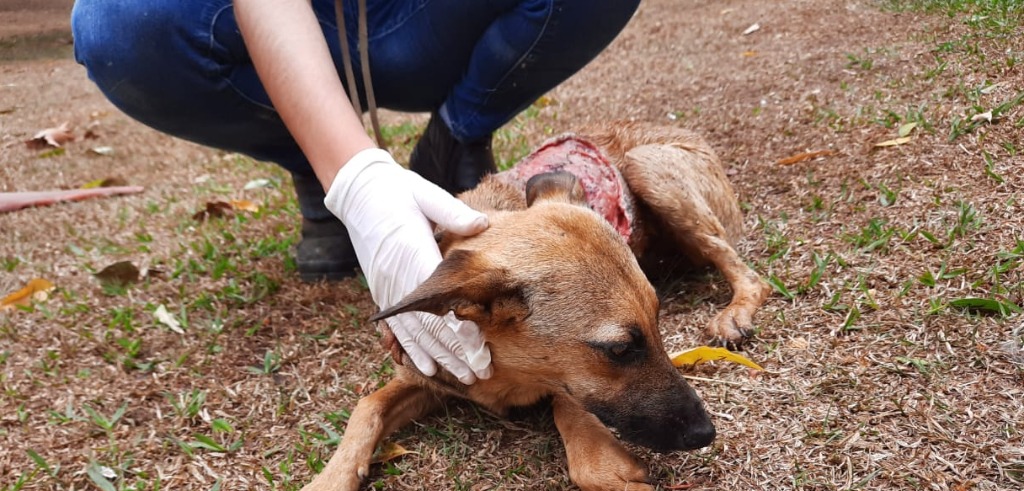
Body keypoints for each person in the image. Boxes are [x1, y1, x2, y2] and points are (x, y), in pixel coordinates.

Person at [70, 0, 641, 386]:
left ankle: (456, 134)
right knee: (120, 22)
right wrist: (353, 175)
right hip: (277, 21)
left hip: (426, 19)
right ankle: (318, 173)